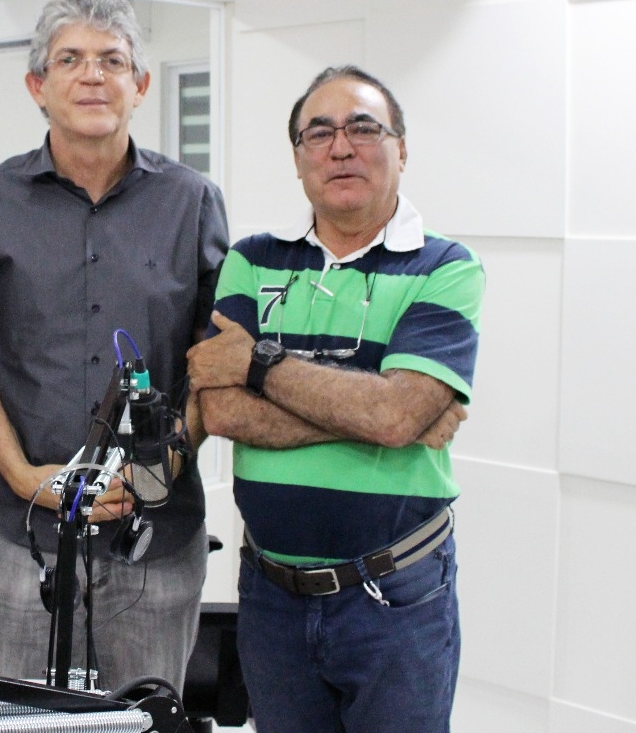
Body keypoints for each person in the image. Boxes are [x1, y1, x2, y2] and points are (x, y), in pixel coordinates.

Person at [0, 0, 229, 690]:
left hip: (156, 535)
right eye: (69, 59)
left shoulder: (193, 201)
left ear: (141, 85)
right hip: (24, 534)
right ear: (37, 86)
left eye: (112, 60)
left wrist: (159, 470)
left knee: (143, 719)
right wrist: (24, 476)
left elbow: (212, 364)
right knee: (29, 722)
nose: (92, 75)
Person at [185, 65, 484, 733]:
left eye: (364, 128)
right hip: (272, 597)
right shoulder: (253, 259)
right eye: (318, 133)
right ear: (298, 159)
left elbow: (394, 414)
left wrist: (259, 362)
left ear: (401, 149)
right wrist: (380, 409)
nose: (341, 147)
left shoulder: (445, 267)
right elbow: (223, 410)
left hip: (396, 597)